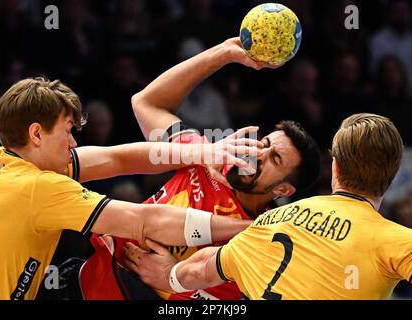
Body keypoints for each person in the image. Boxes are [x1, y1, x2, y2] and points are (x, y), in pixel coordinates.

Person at [76, 37, 321, 300]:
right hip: (88, 281)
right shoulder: (208, 156)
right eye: (263, 143)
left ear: (284, 188)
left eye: (274, 158)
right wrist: (222, 54)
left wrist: (174, 275)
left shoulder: (262, 240)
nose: (258, 154)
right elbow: (147, 103)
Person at [0, 77, 261, 300]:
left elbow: (118, 158)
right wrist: (256, 227)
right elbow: (145, 222)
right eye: (67, 131)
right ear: (37, 134)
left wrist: (202, 152)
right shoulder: (38, 187)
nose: (74, 144)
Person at [125, 113, 412, 299]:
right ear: (391, 177)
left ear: (334, 168)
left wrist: (170, 275)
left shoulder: (273, 220)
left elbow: (207, 265)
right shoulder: (395, 240)